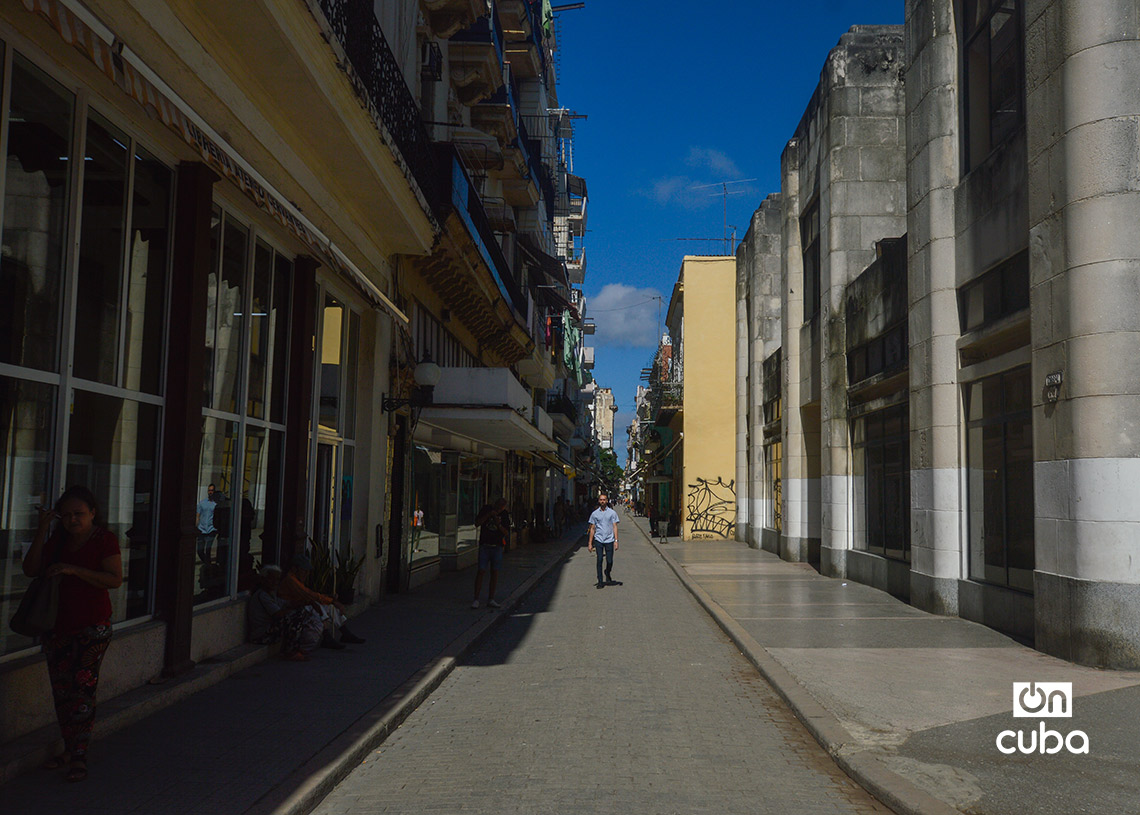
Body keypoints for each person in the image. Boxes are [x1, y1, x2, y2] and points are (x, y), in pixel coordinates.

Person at [22, 486, 123, 782]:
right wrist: (42, 530)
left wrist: (73, 570)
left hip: (93, 626)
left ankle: (79, 756)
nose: (72, 520)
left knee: (82, 692)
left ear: (93, 513)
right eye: (66, 515)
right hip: (57, 627)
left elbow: (114, 580)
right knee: (62, 692)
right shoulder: (58, 540)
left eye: (79, 514)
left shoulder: (105, 540)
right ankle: (70, 748)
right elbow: (30, 569)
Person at [277, 553, 365, 648]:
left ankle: (344, 631)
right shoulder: (291, 580)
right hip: (290, 608)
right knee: (317, 605)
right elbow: (309, 595)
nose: (306, 574)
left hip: (300, 605)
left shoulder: (296, 580)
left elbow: (309, 594)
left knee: (328, 606)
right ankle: (327, 635)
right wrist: (332, 600)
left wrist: (329, 599)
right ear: (295, 569)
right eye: (304, 571)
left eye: (307, 571)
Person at [248, 565, 323, 661]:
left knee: (302, 612)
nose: (275, 582)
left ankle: (300, 646)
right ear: (263, 579)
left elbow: (287, 603)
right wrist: (293, 610)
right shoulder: (262, 595)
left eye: (277, 580)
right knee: (294, 618)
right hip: (261, 634)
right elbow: (278, 614)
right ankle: (291, 651)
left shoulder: (271, 593)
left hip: (270, 630)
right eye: (271, 579)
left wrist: (309, 602)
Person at [471, 498, 509, 609]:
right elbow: (477, 523)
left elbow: (506, 532)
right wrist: (489, 515)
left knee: (494, 573)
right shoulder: (486, 509)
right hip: (485, 545)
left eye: (502, 507)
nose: (499, 509)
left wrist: (498, 525)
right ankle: (476, 599)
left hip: (497, 547)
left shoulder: (504, 515)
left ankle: (491, 599)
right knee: (481, 571)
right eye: (498, 506)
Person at [587, 492, 620, 589]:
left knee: (609, 561)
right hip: (599, 540)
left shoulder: (612, 513)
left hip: (609, 540)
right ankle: (600, 581)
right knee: (599, 559)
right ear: (599, 501)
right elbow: (592, 528)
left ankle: (607, 572)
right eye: (601, 499)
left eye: (604, 499)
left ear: (607, 501)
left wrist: (616, 540)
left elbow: (615, 527)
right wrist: (590, 543)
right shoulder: (594, 514)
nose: (602, 501)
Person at [195, 484, 217, 564]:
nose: (210, 492)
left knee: (208, 550)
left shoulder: (216, 504)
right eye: (209, 490)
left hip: (211, 529)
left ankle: (208, 567)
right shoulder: (202, 503)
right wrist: (196, 526)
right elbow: (198, 515)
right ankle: (208, 564)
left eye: (212, 490)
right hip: (202, 529)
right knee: (199, 550)